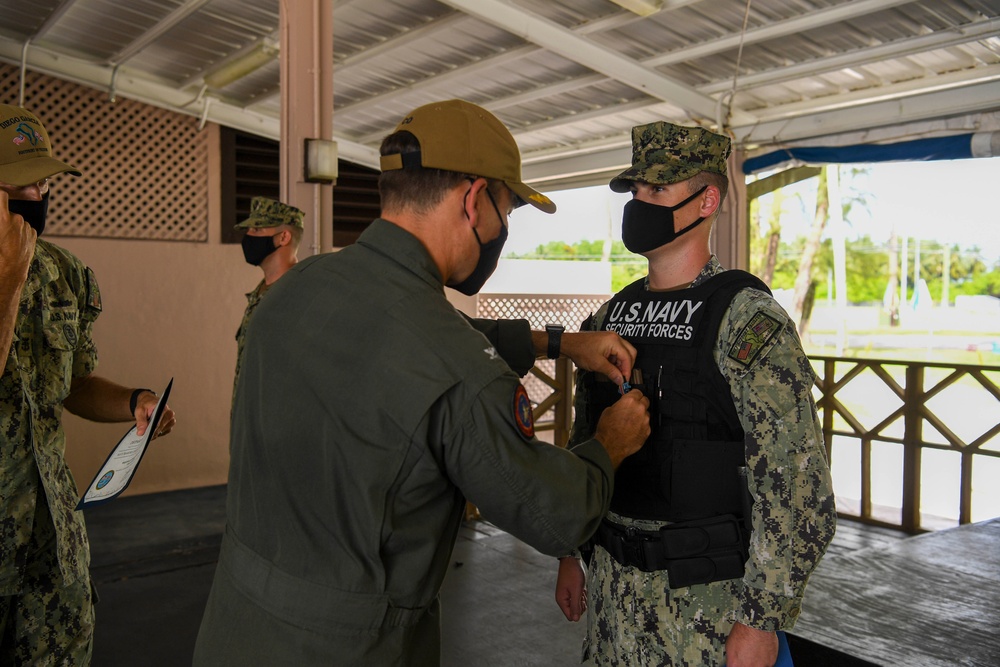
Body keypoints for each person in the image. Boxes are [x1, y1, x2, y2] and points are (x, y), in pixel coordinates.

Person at [193, 99, 651, 666]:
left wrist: (559, 343)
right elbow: (553, 516)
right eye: (506, 210)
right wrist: (608, 446)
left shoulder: (299, 286)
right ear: (472, 199)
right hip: (352, 648)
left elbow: (406, 335)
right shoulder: (457, 368)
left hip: (236, 626)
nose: (503, 229)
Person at [553, 122, 837, 667]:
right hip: (613, 606)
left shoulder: (747, 320)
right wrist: (570, 550)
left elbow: (798, 489)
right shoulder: (611, 317)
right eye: (635, 192)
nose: (639, 204)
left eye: (656, 191)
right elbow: (583, 440)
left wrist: (761, 621)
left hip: (706, 613)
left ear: (707, 200)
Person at [0, 104, 176, 664]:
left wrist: (132, 402)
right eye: (18, 186)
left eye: (44, 183)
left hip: (53, 550)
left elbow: (71, 383)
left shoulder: (61, 272)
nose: (36, 199)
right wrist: (6, 277)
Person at [232, 196, 303, 399]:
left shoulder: (297, 296)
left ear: (284, 238)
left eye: (257, 230)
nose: (248, 236)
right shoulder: (260, 293)